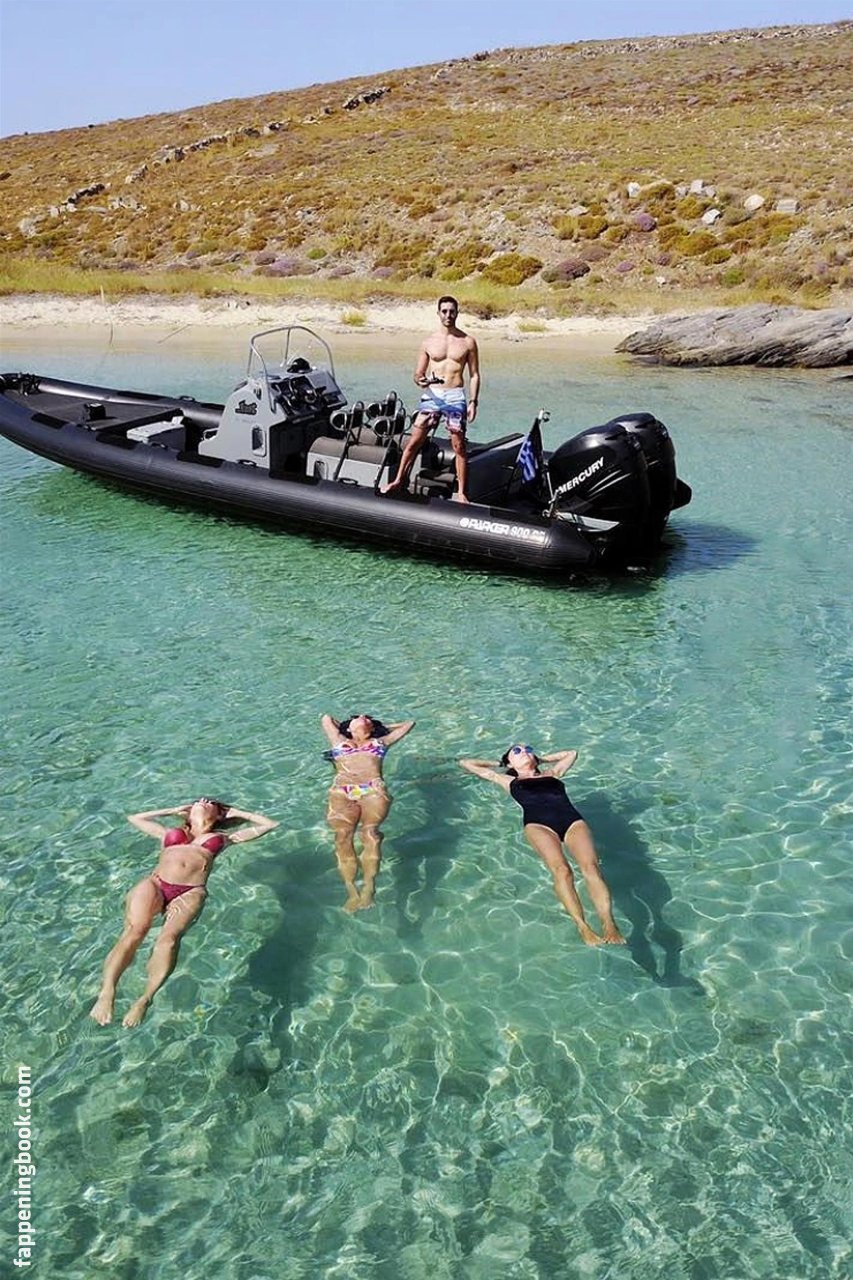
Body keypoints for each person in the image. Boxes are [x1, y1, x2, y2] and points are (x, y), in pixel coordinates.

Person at [90, 797, 278, 1027]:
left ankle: (144, 999)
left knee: (168, 941)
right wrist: (172, 809)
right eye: (198, 800)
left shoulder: (225, 838)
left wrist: (237, 812)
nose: (203, 800)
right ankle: (107, 992)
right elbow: (135, 818)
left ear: (220, 814)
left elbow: (270, 825)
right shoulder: (169, 834)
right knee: (135, 931)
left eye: (210, 802)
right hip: (156, 883)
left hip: (190, 891)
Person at [459, 744, 625, 946]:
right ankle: (583, 926)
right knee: (562, 871)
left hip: (572, 822)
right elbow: (466, 763)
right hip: (539, 826)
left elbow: (571, 753)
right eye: (517, 751)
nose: (525, 752)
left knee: (591, 868)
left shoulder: (553, 773)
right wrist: (500, 763)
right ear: (510, 762)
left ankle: (608, 923)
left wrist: (540, 759)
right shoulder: (508, 780)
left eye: (528, 749)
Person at [382, 295, 480, 503]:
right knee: (414, 441)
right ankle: (399, 480)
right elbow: (418, 373)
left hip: (454, 396)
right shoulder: (428, 342)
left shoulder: (467, 342)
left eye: (451, 311)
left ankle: (462, 493)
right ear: (438, 313)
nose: (448, 315)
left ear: (457, 313)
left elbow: (474, 375)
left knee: (459, 445)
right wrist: (421, 380)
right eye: (444, 311)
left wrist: (473, 402)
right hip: (432, 395)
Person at [321, 712, 415, 911]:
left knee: (370, 834)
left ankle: (369, 887)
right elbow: (326, 718)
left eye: (367, 717)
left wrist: (379, 727)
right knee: (342, 836)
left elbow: (409, 723)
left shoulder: (381, 742)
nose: (363, 715)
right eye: (358, 716)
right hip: (342, 791)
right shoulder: (338, 740)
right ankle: (351, 890)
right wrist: (353, 726)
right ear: (348, 727)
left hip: (372, 789)